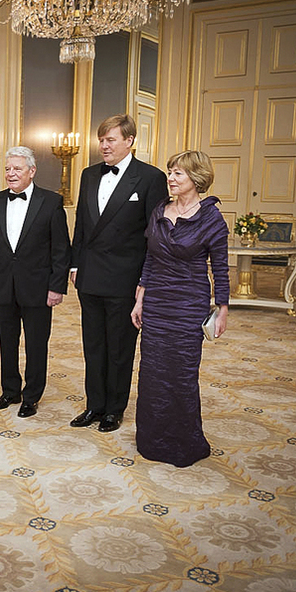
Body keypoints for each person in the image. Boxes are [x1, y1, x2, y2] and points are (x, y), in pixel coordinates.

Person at [69, 114, 168, 433]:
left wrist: (146, 282)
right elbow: (82, 226)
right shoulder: (87, 175)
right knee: (93, 345)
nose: (103, 146)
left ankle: (114, 408)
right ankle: (94, 405)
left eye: (110, 140)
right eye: (101, 140)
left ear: (130, 141)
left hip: (126, 278)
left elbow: (155, 235)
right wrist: (75, 264)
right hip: (90, 276)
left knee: (120, 347)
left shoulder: (150, 178)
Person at [131, 151, 229, 467]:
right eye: (170, 172)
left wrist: (223, 308)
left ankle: (183, 441)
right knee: (153, 372)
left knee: (182, 373)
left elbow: (221, 269)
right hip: (157, 302)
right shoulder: (160, 209)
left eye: (178, 174)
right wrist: (141, 297)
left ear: (196, 179)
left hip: (189, 304)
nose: (171, 179)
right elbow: (150, 257)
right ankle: (152, 439)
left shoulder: (211, 217)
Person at [0, 146, 70, 418]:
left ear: (32, 171)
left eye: (17, 168)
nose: (11, 173)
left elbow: (61, 249)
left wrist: (57, 287)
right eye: (8, 168)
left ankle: (31, 396)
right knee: (7, 342)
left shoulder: (51, 201)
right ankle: (10, 391)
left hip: (39, 287)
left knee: (36, 343)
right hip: (4, 284)